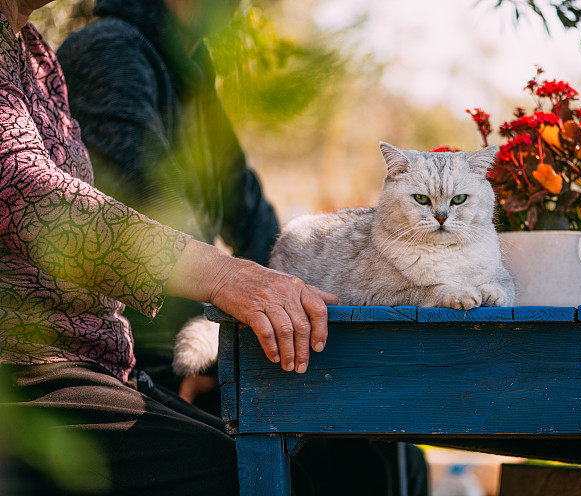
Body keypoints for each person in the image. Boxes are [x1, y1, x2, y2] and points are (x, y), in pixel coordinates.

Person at [56, 1, 430, 495]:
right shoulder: (109, 50)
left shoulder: (186, 65)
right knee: (342, 465)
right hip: (141, 355)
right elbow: (145, 221)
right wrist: (212, 358)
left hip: (196, 346)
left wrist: (303, 300)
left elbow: (252, 215)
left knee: (391, 455)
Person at [0, 0, 337, 494]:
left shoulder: (36, 54)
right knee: (242, 476)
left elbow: (244, 203)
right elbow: (32, 195)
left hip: (99, 358)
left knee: (296, 465)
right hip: (26, 363)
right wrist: (221, 286)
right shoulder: (107, 48)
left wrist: (295, 290)